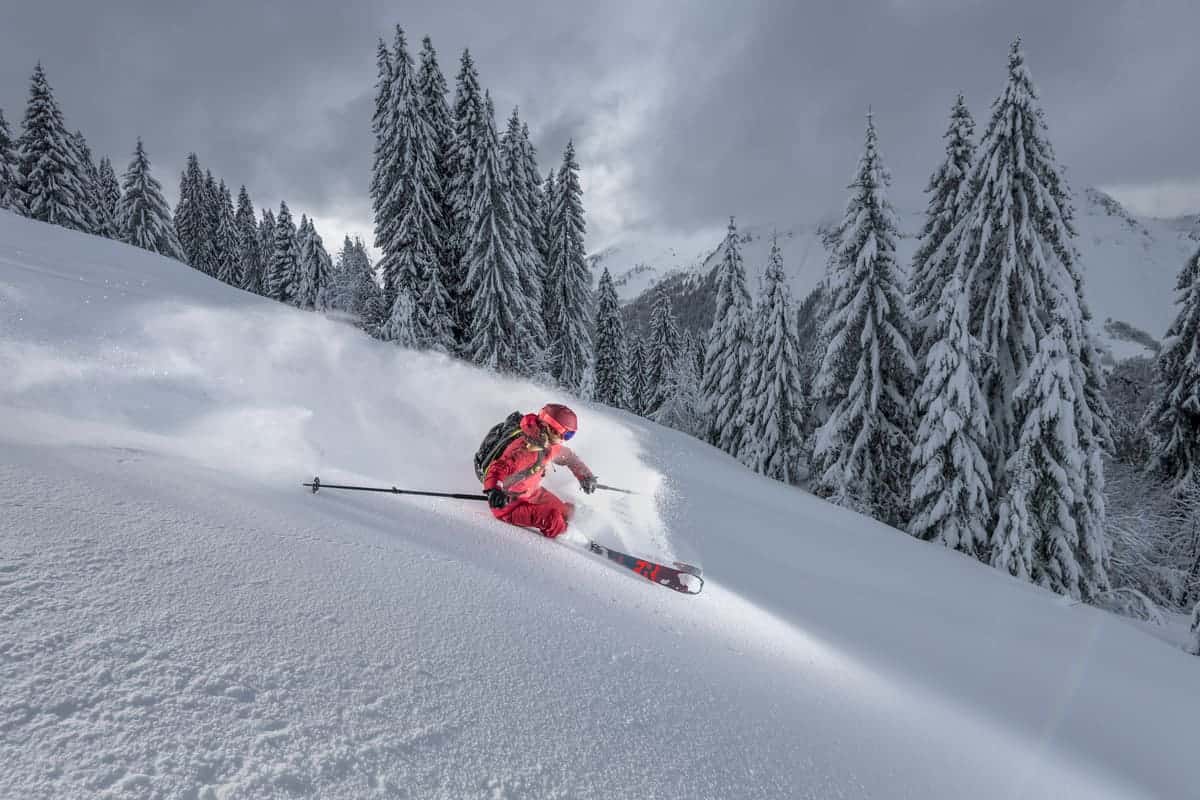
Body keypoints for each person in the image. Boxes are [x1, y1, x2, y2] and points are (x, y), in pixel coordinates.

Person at [482, 403, 598, 538]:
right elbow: (497, 469)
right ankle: (574, 538)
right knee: (552, 519)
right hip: (509, 505)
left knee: (566, 511)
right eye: (566, 435)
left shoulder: (549, 444)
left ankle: (579, 524)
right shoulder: (525, 450)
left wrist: (584, 475)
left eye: (570, 435)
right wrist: (494, 490)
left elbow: (569, 457)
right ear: (551, 428)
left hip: (532, 494)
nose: (564, 439)